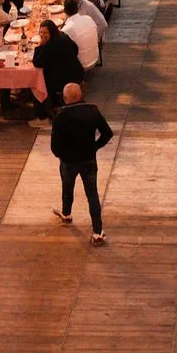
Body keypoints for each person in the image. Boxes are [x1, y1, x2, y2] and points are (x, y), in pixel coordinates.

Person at [51, 82, 113, 246]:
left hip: (68, 161)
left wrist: (62, 156)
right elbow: (107, 133)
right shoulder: (92, 111)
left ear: (65, 98)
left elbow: (54, 147)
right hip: (88, 159)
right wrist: (95, 147)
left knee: (67, 187)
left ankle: (66, 214)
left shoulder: (60, 117)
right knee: (92, 195)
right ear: (81, 95)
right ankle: (97, 232)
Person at [31, 19, 84, 113]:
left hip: (66, 78)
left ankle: (51, 106)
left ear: (51, 32)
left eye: (45, 32)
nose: (42, 35)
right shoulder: (62, 35)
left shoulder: (50, 45)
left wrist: (40, 45)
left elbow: (37, 62)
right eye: (41, 32)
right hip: (77, 71)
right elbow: (75, 48)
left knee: (43, 76)